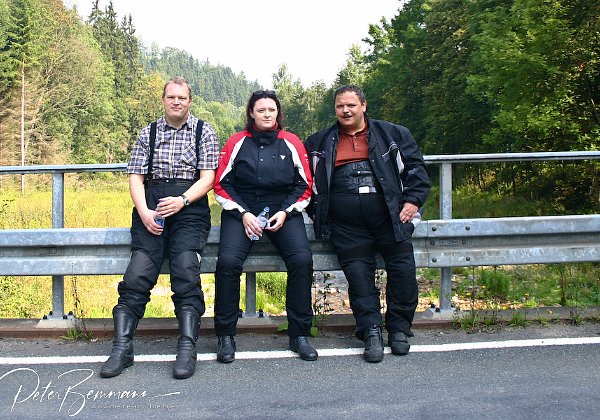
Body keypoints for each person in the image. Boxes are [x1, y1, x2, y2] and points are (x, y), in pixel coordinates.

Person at [101, 76, 220, 379]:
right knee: (138, 272)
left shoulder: (203, 131)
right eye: (171, 97)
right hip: (151, 206)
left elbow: (208, 178)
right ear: (164, 100)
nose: (176, 102)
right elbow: (136, 177)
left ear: (189, 101)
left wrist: (181, 200)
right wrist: (144, 211)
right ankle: (122, 348)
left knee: (184, 269)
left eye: (181, 97)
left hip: (189, 207)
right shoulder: (148, 132)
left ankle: (187, 347)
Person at [305, 85, 430, 363]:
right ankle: (370, 331)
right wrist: (316, 211)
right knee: (359, 278)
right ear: (335, 109)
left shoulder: (393, 134)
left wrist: (413, 201)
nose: (345, 111)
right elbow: (304, 182)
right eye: (340, 106)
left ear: (364, 105)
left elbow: (416, 169)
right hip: (345, 223)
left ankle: (399, 329)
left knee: (403, 271)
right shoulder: (318, 142)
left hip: (390, 215)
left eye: (351, 105)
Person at [213, 90, 317, 362]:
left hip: (282, 209)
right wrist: (244, 213)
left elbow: (305, 185)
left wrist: (285, 211)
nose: (267, 114)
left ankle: (300, 335)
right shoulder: (236, 141)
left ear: (278, 113)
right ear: (251, 113)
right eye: (261, 110)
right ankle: (225, 336)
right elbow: (221, 183)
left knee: (302, 260)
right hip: (242, 210)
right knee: (227, 263)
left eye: (272, 110)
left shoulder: (292, 142)